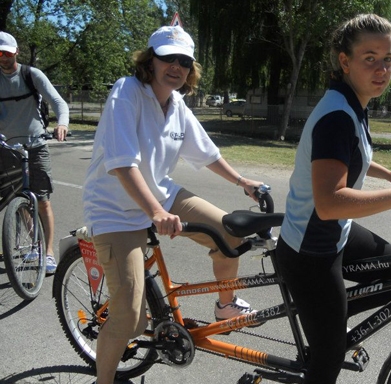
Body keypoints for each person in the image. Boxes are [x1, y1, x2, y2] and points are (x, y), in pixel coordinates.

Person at [82, 26, 262, 384]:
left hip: (161, 195)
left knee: (232, 235)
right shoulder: (127, 92)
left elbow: (207, 154)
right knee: (130, 320)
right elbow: (120, 163)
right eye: (168, 58)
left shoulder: (176, 104)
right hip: (116, 210)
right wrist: (156, 213)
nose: (176, 66)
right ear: (150, 60)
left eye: (184, 61)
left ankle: (225, 305)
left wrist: (243, 182)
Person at [276, 14, 391, 384]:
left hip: (334, 234)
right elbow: (331, 202)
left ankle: (327, 317)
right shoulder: (338, 115)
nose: (382, 68)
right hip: (311, 253)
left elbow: (353, 155)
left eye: (388, 58)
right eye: (370, 57)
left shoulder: (351, 103)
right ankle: (328, 331)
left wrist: (389, 174)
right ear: (345, 61)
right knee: (328, 360)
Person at [0, 31, 69, 274]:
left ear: (16, 51)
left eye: (7, 53)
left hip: (36, 145)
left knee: (41, 201)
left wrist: (62, 123)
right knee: (17, 201)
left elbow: (58, 102)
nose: (3, 58)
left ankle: (47, 253)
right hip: (7, 148)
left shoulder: (31, 75)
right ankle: (35, 244)